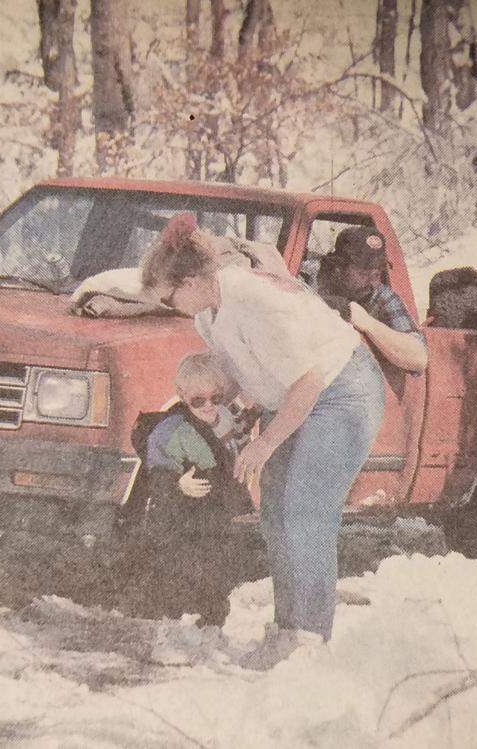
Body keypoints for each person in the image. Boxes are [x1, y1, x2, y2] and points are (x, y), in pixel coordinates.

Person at [140, 213, 385, 668]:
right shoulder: (209, 312)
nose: (170, 306)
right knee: (275, 512)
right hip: (295, 395)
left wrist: (263, 443)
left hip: (339, 392)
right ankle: (286, 632)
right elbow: (242, 371)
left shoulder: (254, 299)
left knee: (304, 511)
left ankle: (308, 642)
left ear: (191, 280)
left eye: (170, 296)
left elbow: (308, 380)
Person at [128, 352, 253, 627]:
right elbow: (157, 473)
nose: (209, 406)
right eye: (198, 401)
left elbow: (238, 437)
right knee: (177, 575)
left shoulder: (223, 419)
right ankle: (170, 630)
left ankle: (211, 628)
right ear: (182, 395)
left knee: (217, 576)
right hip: (181, 519)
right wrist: (177, 483)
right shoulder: (172, 430)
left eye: (215, 398)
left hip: (215, 515)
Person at [316, 226, 428, 376]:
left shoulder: (382, 296)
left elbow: (418, 358)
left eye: (376, 274)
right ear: (339, 268)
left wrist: (366, 322)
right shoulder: (313, 280)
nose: (371, 282)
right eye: (363, 273)